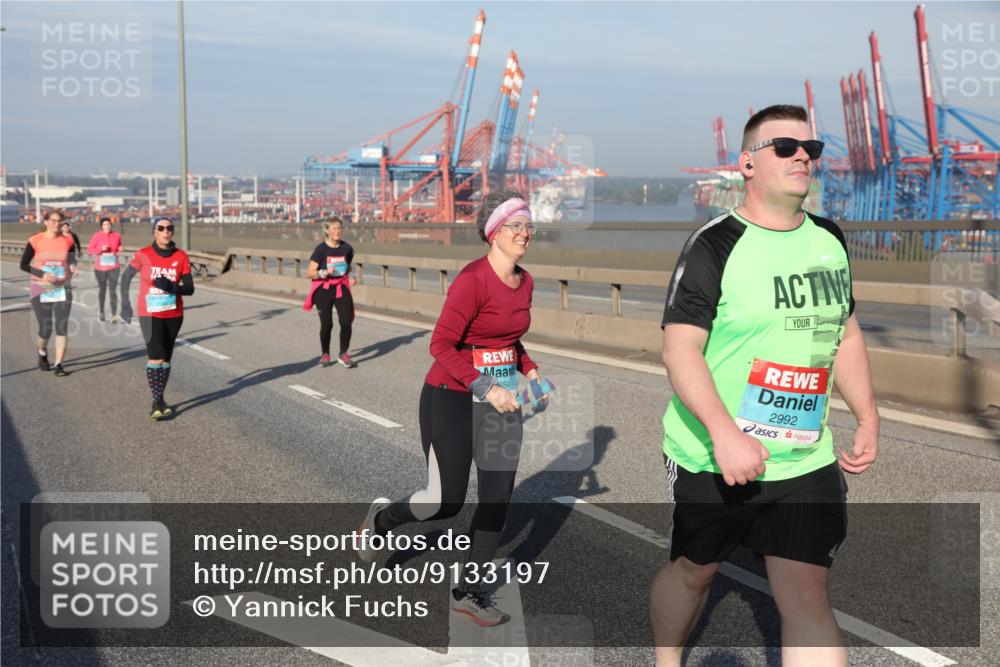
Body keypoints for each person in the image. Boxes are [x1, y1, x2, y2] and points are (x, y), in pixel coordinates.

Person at [650, 105, 879, 666]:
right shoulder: (715, 244)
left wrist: (868, 414)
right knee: (695, 573)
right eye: (785, 147)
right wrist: (724, 434)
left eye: (812, 148)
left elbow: (844, 334)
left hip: (804, 458)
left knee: (807, 597)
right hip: (713, 454)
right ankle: (665, 659)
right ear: (747, 163)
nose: (803, 155)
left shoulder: (829, 239)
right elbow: (680, 349)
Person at [355, 190, 548, 628]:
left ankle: (469, 592)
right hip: (452, 395)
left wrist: (530, 370)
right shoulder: (473, 280)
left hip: (501, 401)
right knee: (445, 502)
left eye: (528, 224)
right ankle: (381, 521)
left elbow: (507, 338)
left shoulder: (526, 281)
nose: (525, 232)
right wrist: (484, 386)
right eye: (516, 225)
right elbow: (440, 344)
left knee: (498, 499)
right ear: (494, 232)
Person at [120, 218, 194, 420]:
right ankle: (157, 401)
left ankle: (159, 398)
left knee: (166, 359)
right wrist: (125, 305)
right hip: (149, 313)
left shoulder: (181, 256)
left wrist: (172, 287)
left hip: (174, 314)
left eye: (169, 228)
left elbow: (189, 289)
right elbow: (125, 278)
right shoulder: (143, 255)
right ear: (154, 232)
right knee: (156, 355)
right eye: (161, 228)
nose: (165, 231)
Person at [20, 209, 79, 376]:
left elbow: (71, 258)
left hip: (62, 287)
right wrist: (43, 274)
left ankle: (59, 364)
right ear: (45, 222)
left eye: (59, 221)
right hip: (41, 287)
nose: (56, 224)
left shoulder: (67, 240)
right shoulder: (35, 240)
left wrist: (73, 267)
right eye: (53, 221)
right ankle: (42, 352)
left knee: (62, 327)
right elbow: (24, 265)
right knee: (45, 329)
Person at [303, 217, 357, 367]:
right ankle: (325, 354)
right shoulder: (321, 249)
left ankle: (343, 353)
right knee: (327, 324)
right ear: (327, 231)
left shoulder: (347, 248)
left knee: (346, 322)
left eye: (339, 228)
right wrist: (324, 272)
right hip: (324, 290)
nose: (337, 231)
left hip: (341, 287)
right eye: (333, 228)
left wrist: (351, 278)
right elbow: (310, 273)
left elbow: (348, 267)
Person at [87, 217, 123, 322]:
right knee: (102, 290)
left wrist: (120, 248)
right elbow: (90, 250)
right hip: (100, 267)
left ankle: (114, 315)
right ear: (101, 226)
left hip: (114, 267)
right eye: (104, 224)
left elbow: (118, 247)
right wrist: (100, 249)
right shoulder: (96, 236)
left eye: (108, 224)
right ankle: (102, 312)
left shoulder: (116, 235)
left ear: (111, 225)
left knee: (113, 290)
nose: (107, 226)